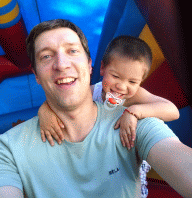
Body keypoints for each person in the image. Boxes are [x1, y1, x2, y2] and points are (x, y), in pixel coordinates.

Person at [0, 19, 192, 198]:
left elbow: (171, 126)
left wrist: (134, 112)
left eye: (72, 51)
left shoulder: (135, 118)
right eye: (46, 56)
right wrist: (44, 111)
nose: (61, 64)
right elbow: (69, 96)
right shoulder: (8, 149)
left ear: (90, 64)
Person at [38, 35, 180, 198]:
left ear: (141, 81)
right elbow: (59, 102)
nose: (121, 86)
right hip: (98, 161)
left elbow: (172, 110)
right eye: (116, 76)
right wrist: (44, 111)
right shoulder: (91, 93)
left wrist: (133, 111)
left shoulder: (135, 97)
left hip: (128, 168)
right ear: (102, 68)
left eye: (132, 82)